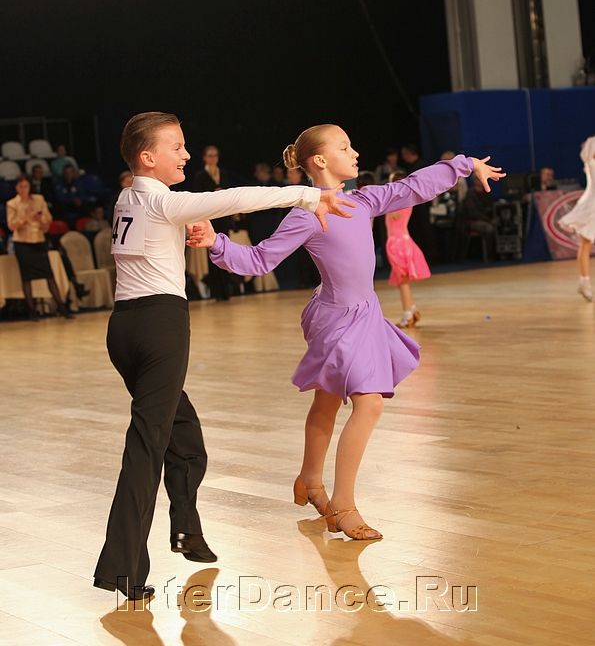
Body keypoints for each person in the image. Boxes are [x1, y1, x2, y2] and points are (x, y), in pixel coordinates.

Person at [189, 124, 504, 540]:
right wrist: (216, 242)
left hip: (366, 313)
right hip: (334, 318)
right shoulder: (306, 214)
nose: (355, 153)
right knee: (369, 405)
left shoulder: (363, 199)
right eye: (344, 147)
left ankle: (309, 479)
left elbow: (413, 187)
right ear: (320, 160)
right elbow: (261, 260)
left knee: (328, 400)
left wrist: (464, 165)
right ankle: (343, 503)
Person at [93, 112, 353, 602]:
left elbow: (171, 223)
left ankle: (186, 531)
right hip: (160, 328)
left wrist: (195, 227)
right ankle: (121, 570)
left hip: (123, 328)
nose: (186, 154)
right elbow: (236, 198)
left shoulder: (128, 198)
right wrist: (306, 194)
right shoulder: (163, 200)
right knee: (146, 447)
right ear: (147, 158)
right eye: (176, 147)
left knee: (185, 441)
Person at [6, 173, 74, 320]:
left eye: (26, 186)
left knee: (49, 275)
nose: (24, 189)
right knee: (27, 278)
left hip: (38, 240)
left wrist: (41, 219)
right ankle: (32, 311)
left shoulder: (39, 199)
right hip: (22, 243)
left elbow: (48, 218)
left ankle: (62, 307)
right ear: (16, 187)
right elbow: (11, 225)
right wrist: (25, 216)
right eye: (21, 186)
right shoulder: (12, 204)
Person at [384, 169, 430, 328]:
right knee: (402, 282)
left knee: (402, 282)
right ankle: (412, 310)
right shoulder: (403, 201)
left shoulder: (396, 203)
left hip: (398, 244)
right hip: (402, 241)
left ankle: (408, 315)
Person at [193, 146, 232, 300]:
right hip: (210, 218)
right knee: (212, 252)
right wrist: (213, 194)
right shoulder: (200, 176)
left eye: (215, 155)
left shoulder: (223, 174)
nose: (213, 158)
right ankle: (216, 292)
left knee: (224, 250)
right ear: (204, 157)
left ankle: (226, 291)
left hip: (223, 216)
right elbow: (197, 195)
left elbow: (229, 194)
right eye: (210, 155)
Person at [559, 137, 595, 301]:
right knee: (586, 243)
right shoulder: (591, 159)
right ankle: (584, 283)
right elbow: (587, 153)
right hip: (591, 206)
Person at [462, 173, 497, 260]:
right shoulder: (471, 194)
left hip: (487, 219)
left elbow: (490, 208)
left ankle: (499, 254)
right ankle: (489, 256)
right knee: (489, 229)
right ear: (474, 181)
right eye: (479, 179)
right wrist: (489, 220)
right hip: (474, 221)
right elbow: (473, 213)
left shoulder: (486, 192)